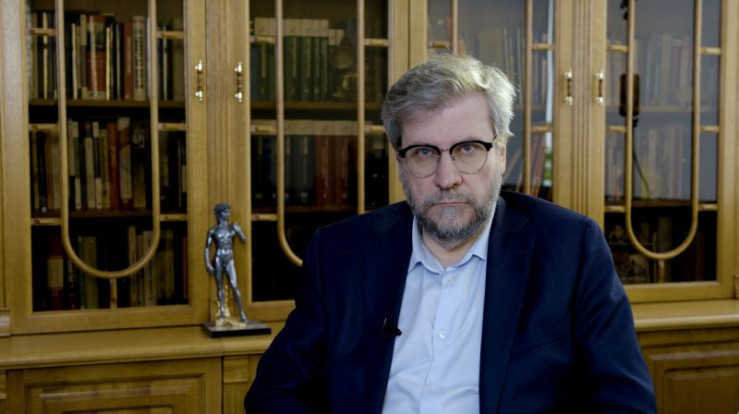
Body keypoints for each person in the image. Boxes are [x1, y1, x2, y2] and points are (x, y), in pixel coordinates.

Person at [245, 54, 656, 413]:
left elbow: (625, 402)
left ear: (501, 153)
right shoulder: (341, 253)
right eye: (424, 153)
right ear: (401, 164)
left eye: (467, 149)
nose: (447, 178)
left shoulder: (569, 249)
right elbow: (275, 392)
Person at [205, 202, 248, 323]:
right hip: (218, 257)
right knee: (220, 285)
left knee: (234, 285)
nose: (228, 214)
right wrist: (208, 263)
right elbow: (207, 248)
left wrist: (239, 231)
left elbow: (244, 240)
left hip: (229, 258)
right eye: (225, 212)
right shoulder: (213, 230)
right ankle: (223, 311)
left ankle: (242, 313)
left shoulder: (232, 227)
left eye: (228, 212)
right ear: (219, 214)